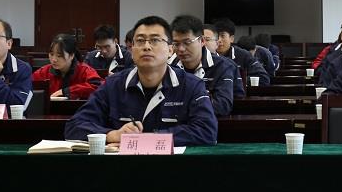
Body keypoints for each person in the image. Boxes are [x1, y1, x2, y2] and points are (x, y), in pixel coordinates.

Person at [65, 16, 218, 146]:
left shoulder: (191, 85)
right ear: (131, 50)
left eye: (155, 40)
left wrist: (149, 139)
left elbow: (207, 131)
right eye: (140, 41)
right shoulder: (113, 85)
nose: (146, 46)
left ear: (170, 49)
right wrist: (112, 135)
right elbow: (74, 126)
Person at [169, 14, 239, 116]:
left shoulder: (222, 66)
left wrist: (181, 105)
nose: (181, 49)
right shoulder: (169, 67)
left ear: (202, 41)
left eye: (187, 42)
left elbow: (222, 106)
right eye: (176, 43)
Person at [32, 33, 103, 100]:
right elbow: (29, 86)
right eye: (51, 54)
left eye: (59, 56)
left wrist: (66, 91)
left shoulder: (84, 70)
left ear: (71, 55)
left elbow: (99, 86)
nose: (54, 59)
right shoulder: (43, 72)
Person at [212, 18, 270, 86]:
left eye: (222, 36)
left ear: (231, 38)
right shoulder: (206, 55)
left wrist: (235, 80)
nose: (219, 40)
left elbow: (264, 78)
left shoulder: (244, 55)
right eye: (216, 36)